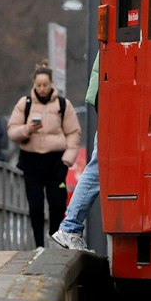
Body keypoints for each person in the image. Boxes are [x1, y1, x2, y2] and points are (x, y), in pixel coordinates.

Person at [8, 65, 80, 248]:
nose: (42, 89)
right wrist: (27, 129)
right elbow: (12, 131)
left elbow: (73, 132)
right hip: (31, 161)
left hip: (56, 162)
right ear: (34, 84)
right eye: (38, 85)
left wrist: (67, 160)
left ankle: (54, 237)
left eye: (45, 85)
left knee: (57, 203)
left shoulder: (63, 105)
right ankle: (39, 244)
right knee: (35, 205)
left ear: (51, 84)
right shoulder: (25, 103)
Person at [51, 51, 100, 253]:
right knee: (98, 168)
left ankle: (70, 227)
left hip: (106, 99)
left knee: (98, 167)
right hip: (112, 101)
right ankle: (70, 227)